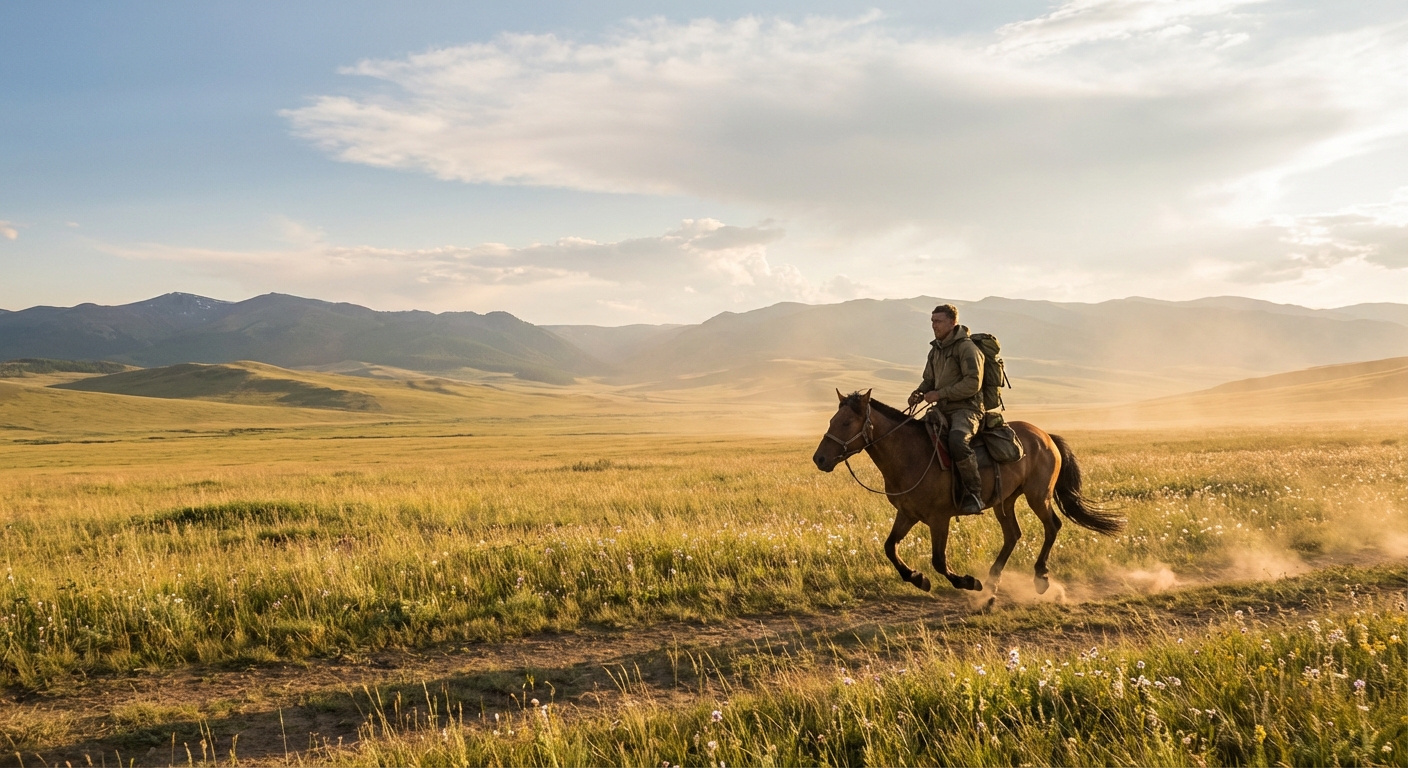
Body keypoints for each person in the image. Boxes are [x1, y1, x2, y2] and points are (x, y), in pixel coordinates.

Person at [908, 303, 986, 514]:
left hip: (967, 408)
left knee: (957, 441)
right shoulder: (936, 350)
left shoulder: (967, 348)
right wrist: (919, 393)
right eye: (932, 321)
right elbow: (929, 380)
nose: (934, 325)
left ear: (952, 322)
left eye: (938, 321)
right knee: (914, 436)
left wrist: (940, 394)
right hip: (942, 409)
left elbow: (973, 383)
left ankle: (973, 494)